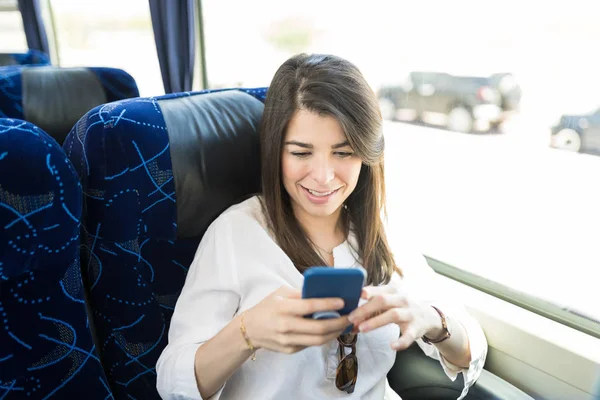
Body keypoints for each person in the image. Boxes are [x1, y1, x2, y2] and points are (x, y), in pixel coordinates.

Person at [156, 53, 487, 400]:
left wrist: (431, 320)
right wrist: (247, 332)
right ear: (275, 152)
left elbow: (469, 349)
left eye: (343, 153)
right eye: (301, 153)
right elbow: (172, 381)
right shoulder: (235, 234)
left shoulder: (378, 230)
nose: (324, 177)